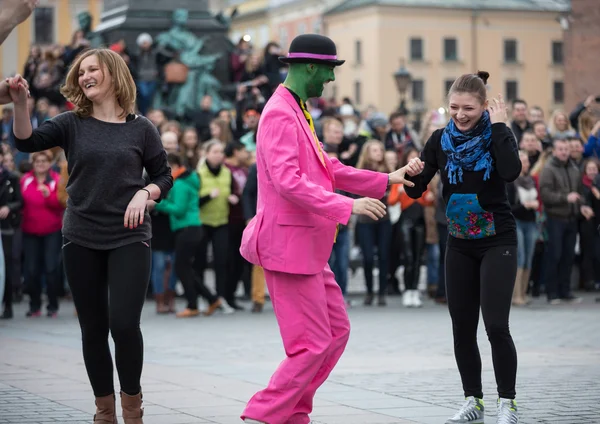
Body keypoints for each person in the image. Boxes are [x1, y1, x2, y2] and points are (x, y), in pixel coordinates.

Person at [238, 33, 415, 424]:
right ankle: (262, 414)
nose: (331, 80)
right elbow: (288, 180)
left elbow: (326, 168)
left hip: (307, 246)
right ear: (311, 67)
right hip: (288, 245)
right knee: (311, 344)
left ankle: (293, 411)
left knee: (335, 332)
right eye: (330, 71)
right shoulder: (281, 112)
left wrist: (386, 179)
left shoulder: (297, 107)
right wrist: (346, 206)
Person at [9, 48, 173, 424]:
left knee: (125, 324)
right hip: (81, 235)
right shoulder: (71, 123)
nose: (85, 77)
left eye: (93, 69)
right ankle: (105, 411)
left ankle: (132, 406)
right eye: (81, 72)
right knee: (94, 328)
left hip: (130, 234)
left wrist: (145, 193)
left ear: (113, 74)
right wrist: (21, 103)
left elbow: (164, 176)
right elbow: (26, 142)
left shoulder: (141, 128)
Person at [404, 72, 522, 424]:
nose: (460, 114)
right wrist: (412, 172)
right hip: (458, 242)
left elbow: (511, 171)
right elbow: (415, 190)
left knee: (496, 326)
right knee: (462, 326)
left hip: (497, 240)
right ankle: (474, 400)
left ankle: (508, 403)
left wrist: (500, 127)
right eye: (453, 107)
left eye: (468, 108)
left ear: (484, 107)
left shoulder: (496, 136)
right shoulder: (440, 140)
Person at [150, 153, 222, 318]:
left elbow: (179, 209)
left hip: (187, 229)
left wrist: (157, 203)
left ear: (172, 166)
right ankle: (210, 299)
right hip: (192, 229)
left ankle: (195, 304)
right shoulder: (186, 180)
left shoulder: (180, 183)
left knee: (182, 268)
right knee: (185, 268)